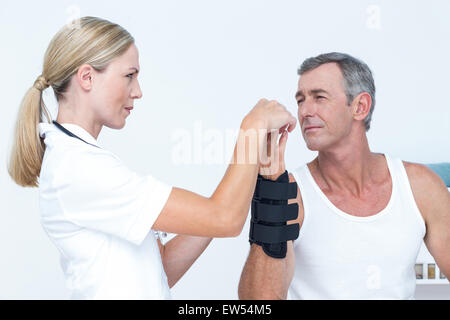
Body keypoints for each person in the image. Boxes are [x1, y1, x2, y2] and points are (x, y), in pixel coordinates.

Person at [7, 16, 296, 299]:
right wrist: (252, 127)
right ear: (86, 77)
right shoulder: (80, 168)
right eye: (129, 76)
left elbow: (162, 269)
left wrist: (226, 197)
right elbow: (225, 219)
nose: (138, 91)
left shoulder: (80, 161)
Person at [238, 52, 450, 299]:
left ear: (360, 107)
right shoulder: (290, 194)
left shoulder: (420, 186)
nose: (305, 111)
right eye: (300, 100)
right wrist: (272, 190)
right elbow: (258, 303)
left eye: (319, 97)